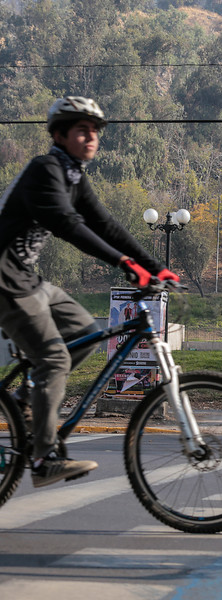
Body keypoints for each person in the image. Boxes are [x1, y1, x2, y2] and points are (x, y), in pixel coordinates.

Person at [0, 96, 179, 488]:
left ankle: (24, 400)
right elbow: (66, 223)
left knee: (85, 333)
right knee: (53, 359)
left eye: (95, 130)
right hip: (4, 278)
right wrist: (123, 263)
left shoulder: (74, 177)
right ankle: (44, 458)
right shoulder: (45, 169)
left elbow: (105, 224)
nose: (92, 137)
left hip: (25, 277)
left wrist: (153, 265)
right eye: (82, 130)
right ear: (60, 135)